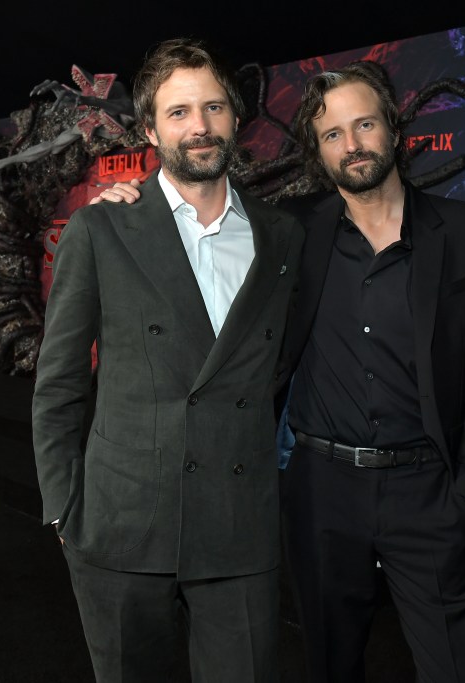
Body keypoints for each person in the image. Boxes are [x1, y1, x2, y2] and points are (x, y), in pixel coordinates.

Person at [96, 59, 465, 683]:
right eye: (332, 134)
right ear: (317, 152)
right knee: (329, 665)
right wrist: (129, 201)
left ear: (393, 127)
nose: (353, 145)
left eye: (364, 124)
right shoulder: (291, 232)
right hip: (321, 493)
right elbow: (197, 214)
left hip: (428, 490)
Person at [32, 38, 304, 683]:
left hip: (238, 527)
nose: (199, 126)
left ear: (236, 119)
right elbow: (59, 383)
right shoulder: (100, 229)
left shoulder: (282, 237)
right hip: (123, 524)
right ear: (151, 130)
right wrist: (63, 508)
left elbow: (283, 369)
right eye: (178, 112)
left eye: (213, 107)